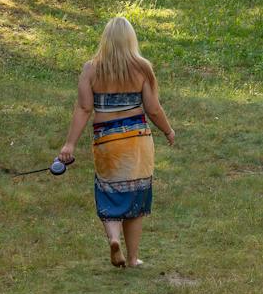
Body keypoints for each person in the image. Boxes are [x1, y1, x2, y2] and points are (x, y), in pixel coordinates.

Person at [56, 15, 176, 268]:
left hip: (106, 139)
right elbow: (153, 109)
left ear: (106, 40)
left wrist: (70, 144)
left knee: (108, 190)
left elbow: (83, 108)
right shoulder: (142, 68)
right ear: (131, 39)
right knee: (136, 194)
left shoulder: (91, 69)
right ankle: (133, 258)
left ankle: (113, 238)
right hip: (137, 140)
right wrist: (167, 130)